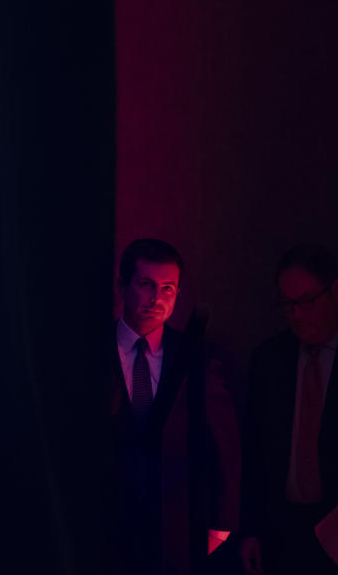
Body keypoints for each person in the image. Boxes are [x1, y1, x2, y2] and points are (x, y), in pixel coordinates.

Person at [239, 244, 338, 574]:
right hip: (283, 530)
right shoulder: (270, 358)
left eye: (308, 301)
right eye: (288, 304)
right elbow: (255, 450)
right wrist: (250, 529)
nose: (298, 314)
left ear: (335, 292)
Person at [109, 238, 239, 574]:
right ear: (123, 285)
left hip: (174, 521)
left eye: (168, 288)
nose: (156, 298)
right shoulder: (91, 349)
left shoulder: (195, 353)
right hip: (106, 517)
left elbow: (224, 438)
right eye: (146, 285)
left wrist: (221, 521)